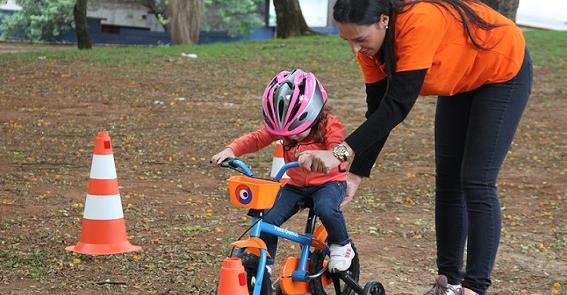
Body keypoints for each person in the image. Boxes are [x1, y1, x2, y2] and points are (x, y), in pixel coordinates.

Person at [295, 1, 533, 294]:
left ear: (384, 20)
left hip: (501, 70)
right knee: (447, 181)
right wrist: (354, 174)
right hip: (460, 80)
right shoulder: (370, 46)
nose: (356, 50)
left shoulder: (418, 21)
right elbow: (379, 111)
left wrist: (338, 154)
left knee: (476, 180)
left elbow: (397, 106)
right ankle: (449, 283)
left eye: (359, 40)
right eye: (348, 41)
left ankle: (474, 288)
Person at [210, 69, 355, 275]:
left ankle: (342, 245)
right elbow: (257, 138)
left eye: (297, 131)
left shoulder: (330, 125)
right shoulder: (284, 128)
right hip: (296, 186)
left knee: (325, 207)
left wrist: (324, 156)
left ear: (313, 115)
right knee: (267, 217)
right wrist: (232, 149)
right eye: (286, 134)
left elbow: (341, 150)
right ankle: (264, 263)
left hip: (329, 183)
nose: (291, 137)